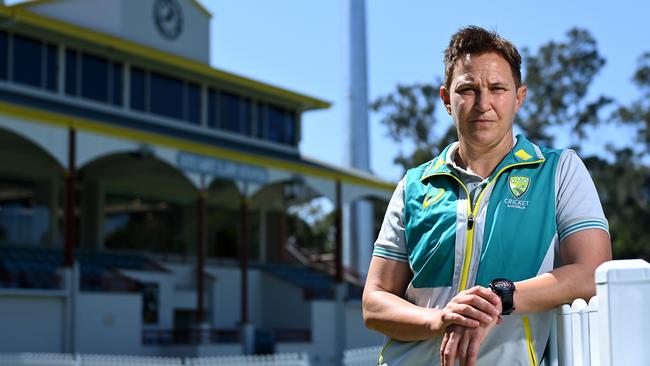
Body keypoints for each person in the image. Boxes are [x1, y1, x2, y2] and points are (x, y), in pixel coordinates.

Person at [362, 26, 612, 366]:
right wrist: (440, 319)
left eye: (497, 88)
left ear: (518, 98)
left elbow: (592, 272)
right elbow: (374, 302)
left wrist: (499, 298)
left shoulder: (559, 170)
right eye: (467, 89)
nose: (483, 103)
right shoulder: (414, 184)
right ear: (446, 100)